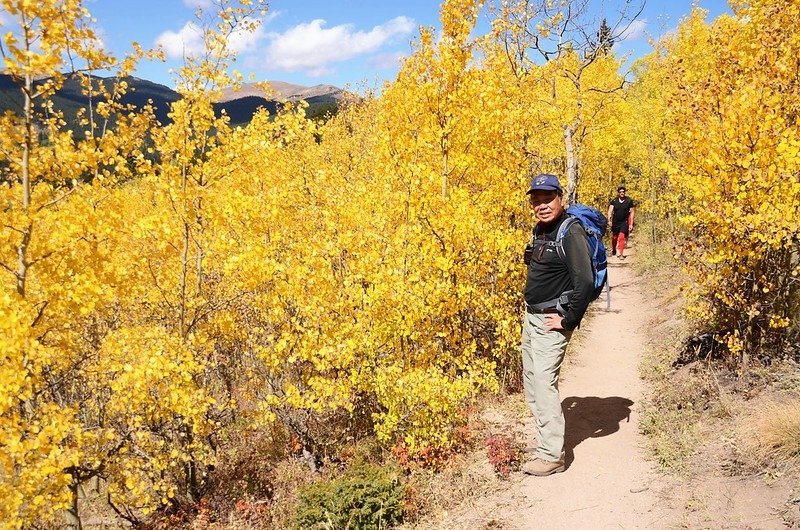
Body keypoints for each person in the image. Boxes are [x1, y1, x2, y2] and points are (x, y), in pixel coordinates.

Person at [520, 173, 594, 476]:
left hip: (552, 321)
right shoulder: (541, 229)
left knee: (543, 385)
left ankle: (552, 455)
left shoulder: (571, 232)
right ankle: (544, 442)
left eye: (548, 199)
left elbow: (585, 281)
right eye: (536, 201)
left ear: (560, 199)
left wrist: (568, 320)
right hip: (532, 317)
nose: (542, 205)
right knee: (531, 383)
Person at [607, 186, 635, 259]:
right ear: (618, 193)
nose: (622, 193)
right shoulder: (614, 201)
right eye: (620, 192)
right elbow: (610, 211)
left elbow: (632, 212)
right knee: (614, 237)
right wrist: (609, 220)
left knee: (622, 237)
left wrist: (631, 224)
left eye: (623, 192)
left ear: (625, 192)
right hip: (616, 222)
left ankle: (621, 254)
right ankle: (613, 249)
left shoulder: (629, 201)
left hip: (624, 222)